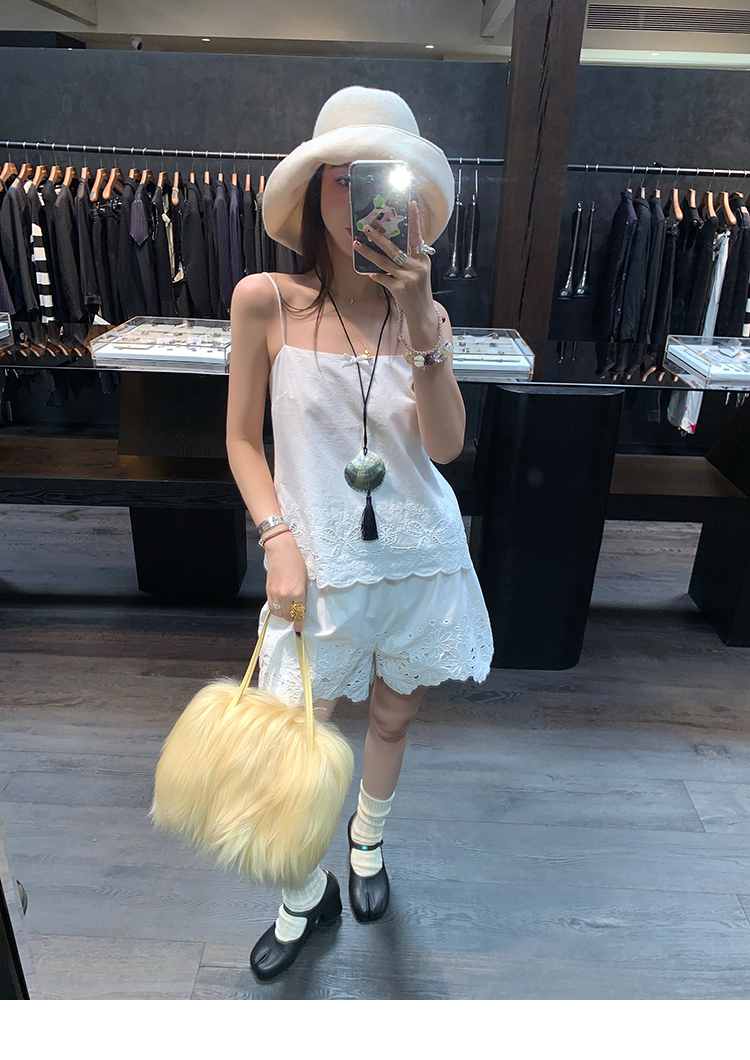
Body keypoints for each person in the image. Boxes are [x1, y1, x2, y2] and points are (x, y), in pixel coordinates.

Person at [226, 85, 494, 981]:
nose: (362, 201)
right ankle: (304, 891)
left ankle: (368, 845)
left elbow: (445, 449)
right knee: (292, 738)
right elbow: (241, 439)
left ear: (411, 202)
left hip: (418, 557)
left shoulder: (429, 316)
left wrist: (422, 323)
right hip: (314, 568)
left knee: (393, 713)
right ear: (314, 192)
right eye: (344, 180)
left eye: (383, 182)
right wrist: (277, 538)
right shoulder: (265, 301)